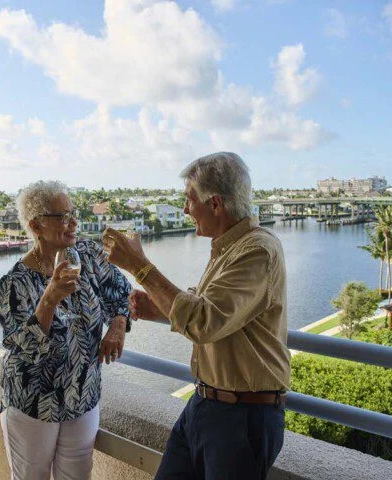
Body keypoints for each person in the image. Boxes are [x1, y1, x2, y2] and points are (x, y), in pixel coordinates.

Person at [103, 152, 290, 480]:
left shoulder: (256, 251)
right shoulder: (228, 247)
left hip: (242, 417)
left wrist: (137, 265)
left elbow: (204, 321)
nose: (186, 209)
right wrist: (158, 308)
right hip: (205, 404)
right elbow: (211, 311)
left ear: (215, 203)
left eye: (189, 200)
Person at [0, 180, 132, 480]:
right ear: (36, 226)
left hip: (83, 397)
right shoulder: (14, 283)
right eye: (62, 216)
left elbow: (123, 294)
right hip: (32, 403)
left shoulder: (88, 255)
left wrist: (118, 326)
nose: (74, 222)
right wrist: (50, 297)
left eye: (74, 213)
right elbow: (23, 350)